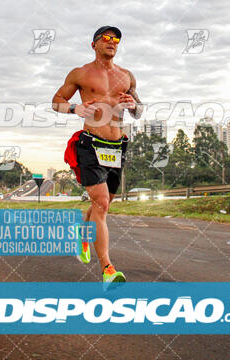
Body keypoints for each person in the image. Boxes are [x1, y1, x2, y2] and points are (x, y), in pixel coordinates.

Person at [52, 26, 143, 283]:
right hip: (90, 144)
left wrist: (134, 105)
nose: (112, 42)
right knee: (101, 203)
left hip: (116, 147)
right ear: (94, 44)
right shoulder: (80, 73)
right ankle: (107, 269)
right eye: (107, 38)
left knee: (103, 204)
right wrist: (74, 108)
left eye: (116, 39)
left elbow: (139, 111)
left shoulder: (127, 76)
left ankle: (83, 233)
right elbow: (56, 100)